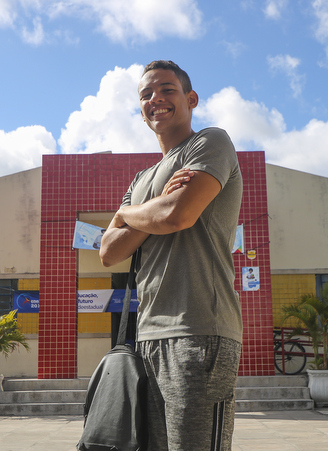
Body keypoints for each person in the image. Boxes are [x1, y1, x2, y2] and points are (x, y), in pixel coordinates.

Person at [99, 60, 243, 451]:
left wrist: (127, 213)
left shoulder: (209, 143)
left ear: (190, 99)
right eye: (146, 94)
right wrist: (154, 206)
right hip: (147, 337)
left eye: (166, 90)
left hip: (199, 330)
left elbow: (177, 215)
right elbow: (109, 252)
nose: (155, 99)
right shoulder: (141, 179)